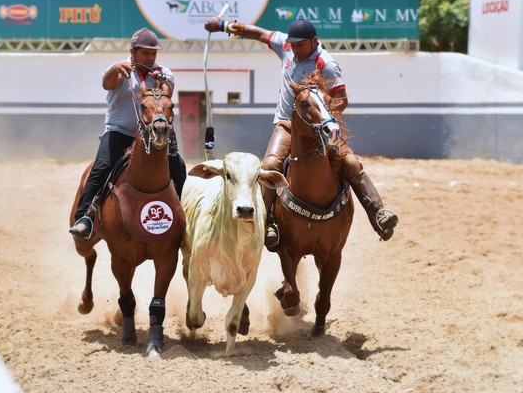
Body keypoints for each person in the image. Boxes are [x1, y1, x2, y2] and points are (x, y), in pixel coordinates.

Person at [203, 17, 398, 249]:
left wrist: (321, 119)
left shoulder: (326, 64)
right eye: (293, 45)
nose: (295, 49)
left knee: (351, 164)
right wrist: (224, 25)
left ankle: (378, 214)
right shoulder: (286, 45)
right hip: (286, 125)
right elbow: (259, 33)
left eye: (300, 45)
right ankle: (269, 224)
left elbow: (341, 99)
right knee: (271, 164)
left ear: (314, 41)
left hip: (320, 128)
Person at [69, 27, 187, 240]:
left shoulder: (163, 71)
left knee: (178, 165)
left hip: (153, 132)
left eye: (153, 53)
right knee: (101, 168)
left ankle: (184, 215)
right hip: (120, 131)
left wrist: (160, 80)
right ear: (132, 52)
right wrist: (115, 70)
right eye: (145, 53)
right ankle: (84, 218)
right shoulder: (119, 69)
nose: (150, 57)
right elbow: (107, 83)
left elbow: (168, 92)